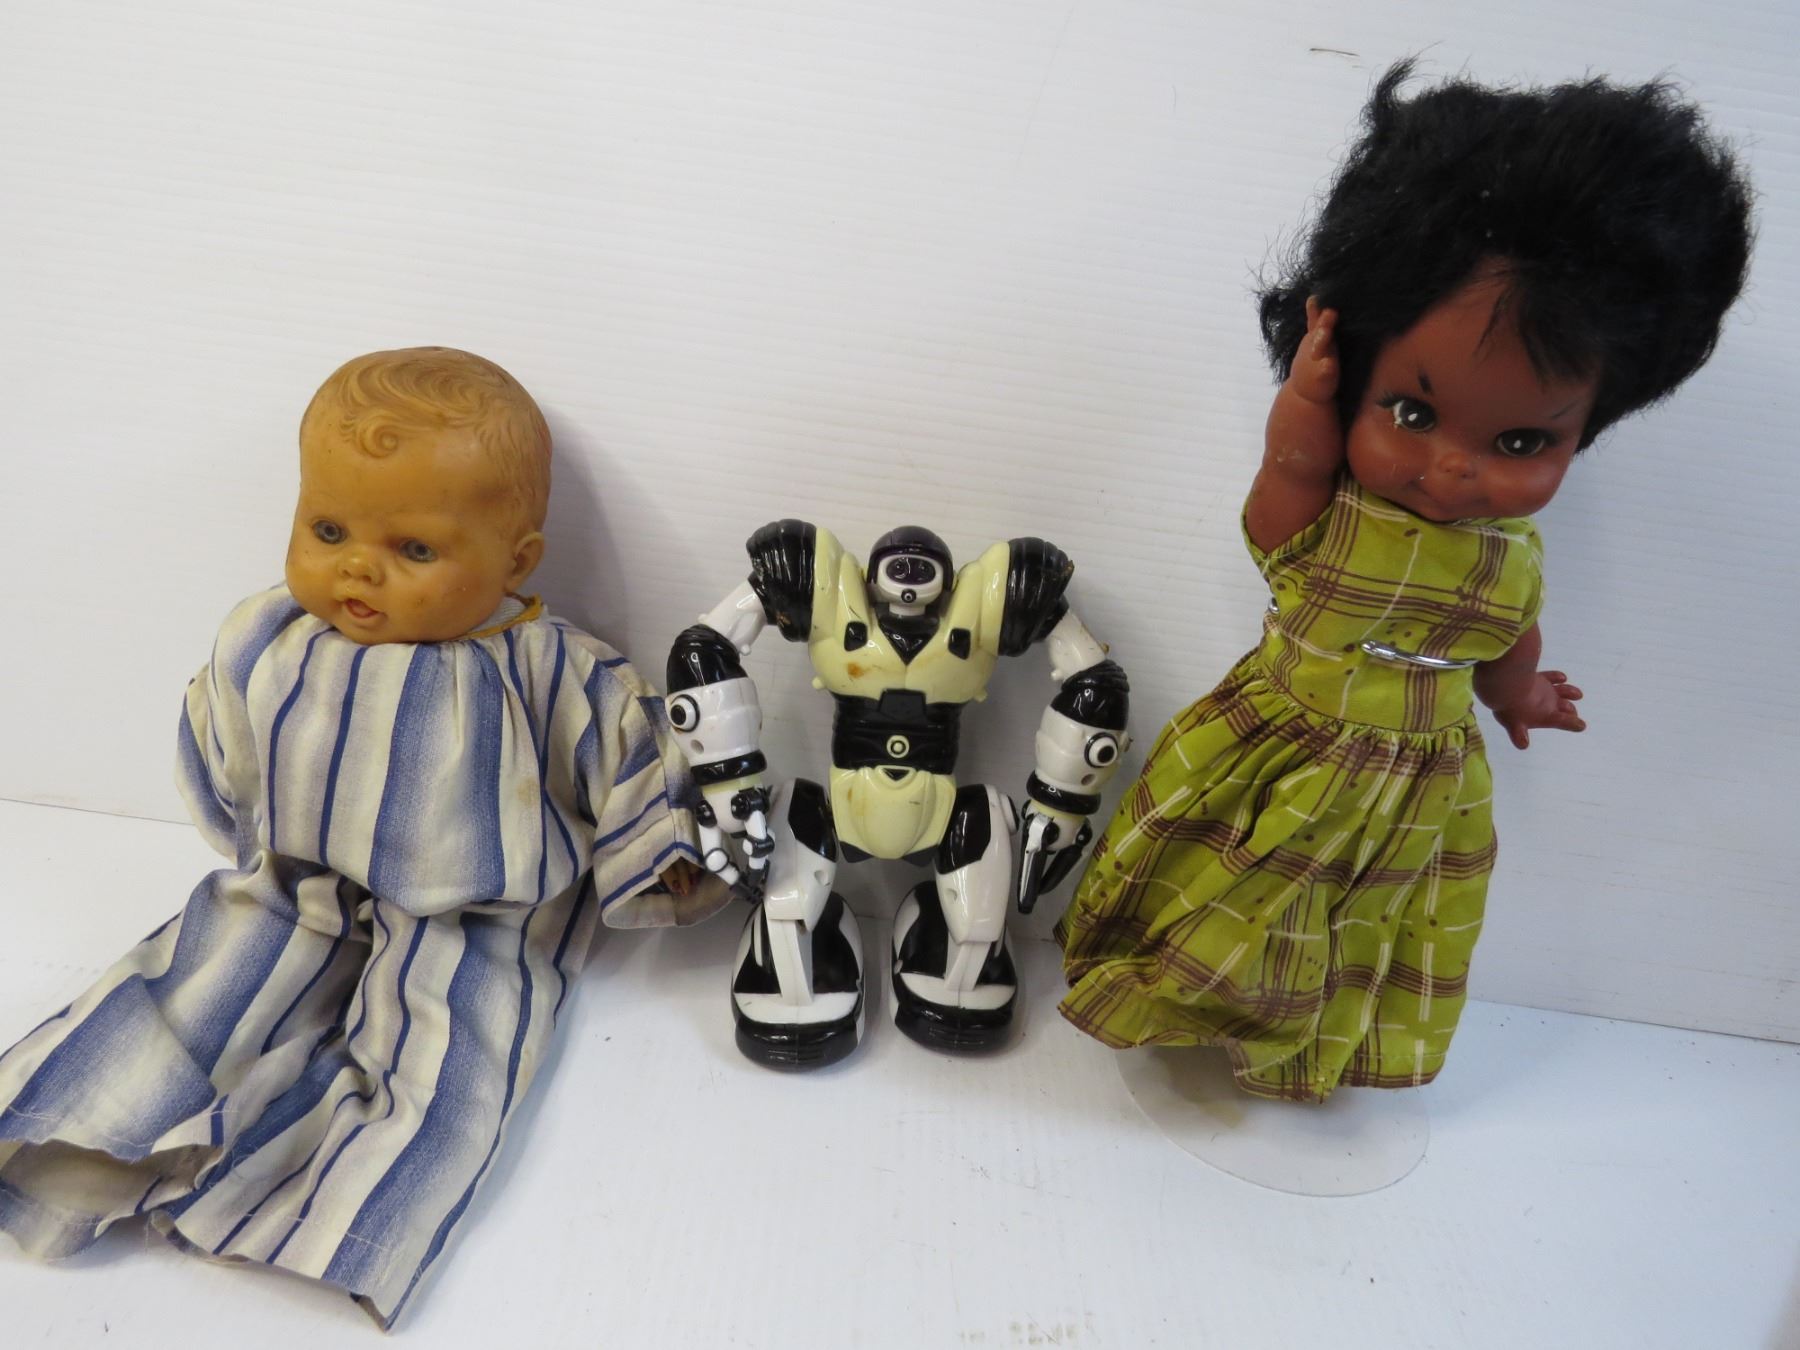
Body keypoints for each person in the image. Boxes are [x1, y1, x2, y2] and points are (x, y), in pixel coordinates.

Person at [1057, 62, 1753, 1103]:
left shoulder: (1510, 558)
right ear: (1351, 374)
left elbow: (1506, 635)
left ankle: (1296, 1049)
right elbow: (1284, 481)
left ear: (1587, 429)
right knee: (1229, 888)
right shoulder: (1331, 519)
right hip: (1282, 750)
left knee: (1358, 926)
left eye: (1521, 441)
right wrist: (1303, 405)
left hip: (1417, 793)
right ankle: (1191, 1011)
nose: (1456, 468)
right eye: (1413, 413)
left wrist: (1519, 693)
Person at [0, 347, 726, 1324]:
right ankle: (76, 1135)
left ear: (515, 561)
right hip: (296, 883)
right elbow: (225, 738)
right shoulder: (271, 635)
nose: (357, 566)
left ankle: (338, 1213)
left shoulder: (549, 670)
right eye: (328, 528)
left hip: (474, 916)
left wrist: (666, 857)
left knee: (444, 1053)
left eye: (414, 549)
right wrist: (240, 825)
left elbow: (628, 756)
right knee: (205, 985)